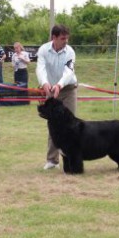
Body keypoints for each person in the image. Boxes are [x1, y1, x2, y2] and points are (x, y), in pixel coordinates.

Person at [36, 24, 77, 170]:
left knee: (70, 124)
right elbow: (40, 69)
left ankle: (71, 158)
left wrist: (59, 85)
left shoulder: (70, 52)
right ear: (54, 38)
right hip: (51, 89)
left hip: (68, 88)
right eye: (62, 38)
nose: (66, 41)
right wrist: (45, 83)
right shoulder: (43, 50)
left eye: (67, 38)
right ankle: (52, 161)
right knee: (53, 125)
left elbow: (69, 72)